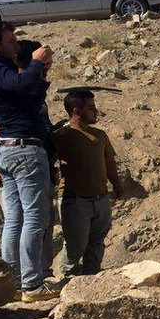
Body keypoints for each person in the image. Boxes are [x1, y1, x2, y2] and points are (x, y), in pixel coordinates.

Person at [0, 20, 59, 303]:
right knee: (34, 218)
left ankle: (15, 284)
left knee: (16, 220)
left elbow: (28, 97)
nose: (16, 47)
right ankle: (32, 285)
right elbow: (21, 83)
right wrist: (34, 63)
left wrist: (41, 73)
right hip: (24, 150)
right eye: (11, 42)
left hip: (10, 151)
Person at [55, 89, 122, 281]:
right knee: (76, 244)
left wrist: (117, 186)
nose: (96, 111)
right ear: (77, 110)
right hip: (75, 200)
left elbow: (109, 163)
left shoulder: (100, 135)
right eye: (91, 107)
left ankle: (91, 281)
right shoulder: (62, 134)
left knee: (96, 243)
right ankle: (68, 280)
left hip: (100, 199)